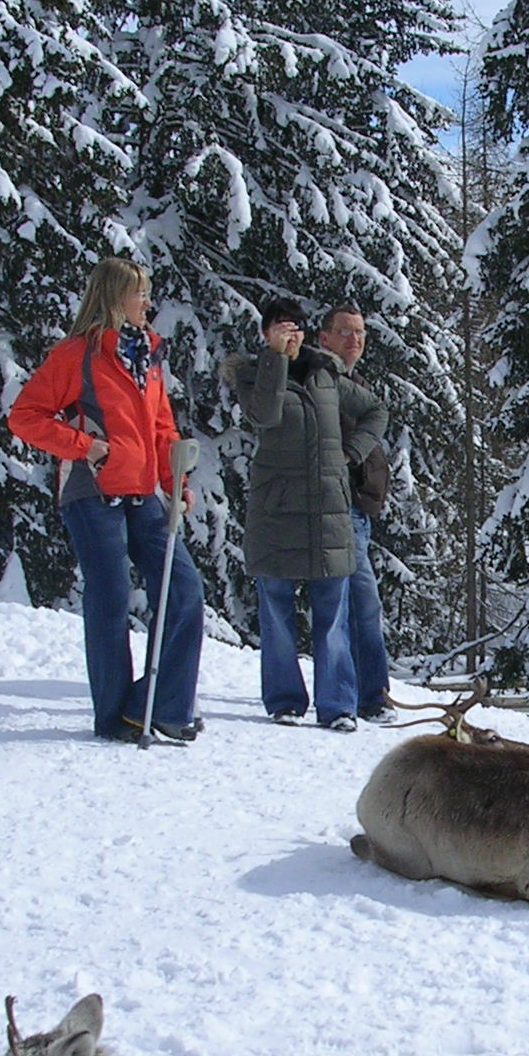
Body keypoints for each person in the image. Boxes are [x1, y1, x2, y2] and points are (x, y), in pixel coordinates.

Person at [9, 257, 204, 744]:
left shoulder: (149, 358)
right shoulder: (77, 354)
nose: (147, 303)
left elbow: (162, 428)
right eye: (140, 294)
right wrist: (86, 447)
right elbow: (25, 416)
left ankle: (157, 707)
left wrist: (175, 480)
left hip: (141, 493)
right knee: (112, 599)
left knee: (184, 591)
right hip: (91, 491)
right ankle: (115, 716)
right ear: (117, 297)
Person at [225, 297, 358, 731]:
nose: (293, 333)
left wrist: (349, 455)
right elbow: (265, 413)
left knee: (333, 611)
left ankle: (337, 705)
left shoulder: (326, 373)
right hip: (276, 510)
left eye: (298, 326)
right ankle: (284, 700)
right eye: (283, 326)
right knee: (276, 608)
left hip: (327, 511)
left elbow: (375, 410)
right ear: (266, 332)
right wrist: (274, 359)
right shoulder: (252, 374)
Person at [317, 303, 395, 723]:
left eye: (361, 332)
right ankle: (357, 699)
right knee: (350, 602)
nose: (355, 340)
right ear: (323, 337)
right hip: (337, 507)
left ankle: (369, 695)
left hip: (357, 508)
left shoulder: (354, 383)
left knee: (362, 603)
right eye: (345, 332)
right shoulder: (324, 382)